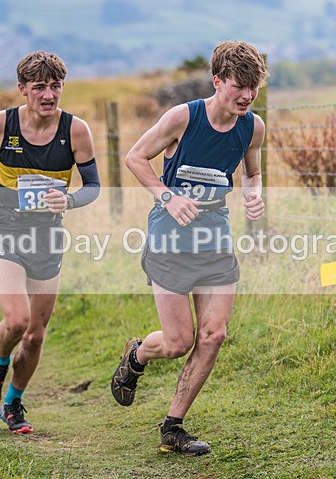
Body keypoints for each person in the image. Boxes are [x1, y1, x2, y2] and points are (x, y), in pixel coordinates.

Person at [110, 40, 267, 455]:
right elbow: (135, 158)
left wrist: (254, 194)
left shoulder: (253, 127)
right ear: (217, 81)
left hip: (215, 237)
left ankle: (173, 426)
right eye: (238, 86)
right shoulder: (183, 117)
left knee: (214, 335)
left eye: (253, 87)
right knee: (178, 342)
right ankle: (137, 355)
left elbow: (252, 173)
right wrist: (168, 197)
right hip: (170, 237)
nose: (246, 96)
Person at [0, 50, 100, 434]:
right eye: (39, 87)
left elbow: (94, 186)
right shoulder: (1, 124)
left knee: (35, 336)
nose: (48, 95)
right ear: (22, 89)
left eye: (55, 86)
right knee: (17, 320)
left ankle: (13, 403)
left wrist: (70, 200)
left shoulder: (76, 131)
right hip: (6, 229)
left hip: (47, 236)